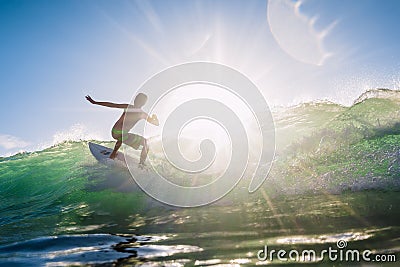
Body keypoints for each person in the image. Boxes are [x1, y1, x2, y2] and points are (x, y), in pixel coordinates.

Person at [85, 93, 159, 168]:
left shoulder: (141, 113)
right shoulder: (131, 108)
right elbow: (112, 105)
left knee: (146, 143)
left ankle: (141, 164)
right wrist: (95, 102)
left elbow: (156, 123)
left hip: (123, 134)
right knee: (123, 133)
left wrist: (155, 118)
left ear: (142, 103)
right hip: (116, 131)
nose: (136, 100)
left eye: (139, 100)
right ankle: (114, 154)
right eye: (136, 99)